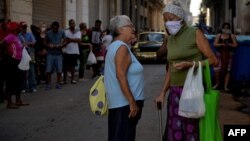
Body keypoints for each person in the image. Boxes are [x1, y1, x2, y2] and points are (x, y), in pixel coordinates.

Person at [154, 3, 218, 141]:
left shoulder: (195, 33)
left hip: (192, 91)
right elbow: (171, 69)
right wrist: (162, 93)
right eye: (165, 20)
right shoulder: (170, 39)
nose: (167, 23)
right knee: (174, 132)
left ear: (181, 18)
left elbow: (214, 60)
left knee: (191, 132)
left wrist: (191, 65)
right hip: (174, 93)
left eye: (171, 18)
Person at [104, 15, 144, 141]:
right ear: (120, 29)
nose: (133, 28)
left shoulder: (117, 46)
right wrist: (132, 102)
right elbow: (120, 75)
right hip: (125, 105)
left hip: (121, 105)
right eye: (129, 25)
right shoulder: (121, 48)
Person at [0, 22, 30, 109]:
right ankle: (9, 103)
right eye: (19, 27)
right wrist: (6, 52)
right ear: (15, 29)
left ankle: (18, 100)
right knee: (11, 82)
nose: (20, 28)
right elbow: (1, 43)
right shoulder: (10, 36)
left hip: (17, 62)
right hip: (11, 62)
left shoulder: (16, 37)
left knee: (18, 81)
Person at [213, 22, 238, 91]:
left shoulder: (232, 36)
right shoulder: (219, 35)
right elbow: (215, 44)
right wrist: (222, 44)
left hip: (228, 55)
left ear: (229, 29)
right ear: (222, 28)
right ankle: (217, 84)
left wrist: (229, 44)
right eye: (224, 28)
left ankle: (225, 86)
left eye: (227, 28)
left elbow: (235, 45)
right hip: (219, 55)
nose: (226, 29)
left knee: (227, 70)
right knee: (217, 70)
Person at [44, 21, 66, 90]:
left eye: (55, 28)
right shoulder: (48, 33)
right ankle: (49, 84)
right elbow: (44, 42)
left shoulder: (62, 32)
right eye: (53, 28)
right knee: (48, 70)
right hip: (50, 54)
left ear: (58, 28)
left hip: (59, 54)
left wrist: (61, 45)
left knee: (59, 70)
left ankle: (58, 83)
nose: (54, 29)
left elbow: (65, 41)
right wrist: (48, 45)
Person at [19, 21, 37, 93]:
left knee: (31, 71)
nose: (25, 28)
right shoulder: (19, 35)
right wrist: (24, 44)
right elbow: (18, 44)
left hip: (30, 53)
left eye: (25, 27)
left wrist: (26, 43)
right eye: (23, 27)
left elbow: (34, 42)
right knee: (23, 71)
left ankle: (32, 87)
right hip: (22, 54)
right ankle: (23, 87)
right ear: (20, 28)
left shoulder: (30, 34)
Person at [63, 19, 81, 84]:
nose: (72, 24)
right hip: (66, 51)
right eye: (71, 23)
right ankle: (64, 80)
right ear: (69, 24)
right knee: (65, 66)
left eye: (73, 23)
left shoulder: (78, 31)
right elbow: (64, 40)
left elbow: (78, 40)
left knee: (73, 66)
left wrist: (69, 40)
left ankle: (72, 79)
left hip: (75, 51)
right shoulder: (66, 31)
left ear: (75, 24)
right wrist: (74, 40)